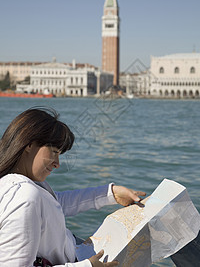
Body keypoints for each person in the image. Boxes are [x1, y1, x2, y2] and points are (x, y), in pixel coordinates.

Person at [0, 107, 146, 267]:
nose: (57, 164)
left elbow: (56, 204)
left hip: (76, 249)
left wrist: (109, 193)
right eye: (54, 152)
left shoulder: (24, 184)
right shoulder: (24, 196)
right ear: (29, 144)